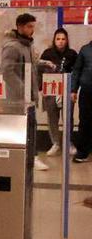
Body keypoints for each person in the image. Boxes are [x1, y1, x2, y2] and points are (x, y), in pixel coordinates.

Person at [1, 13, 48, 170]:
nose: (32, 30)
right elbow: (7, 72)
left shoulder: (27, 45)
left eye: (33, 26)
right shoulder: (12, 47)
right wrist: (24, 91)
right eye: (29, 26)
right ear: (20, 27)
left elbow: (31, 64)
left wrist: (44, 63)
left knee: (31, 126)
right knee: (21, 127)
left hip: (29, 96)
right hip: (19, 98)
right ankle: (28, 157)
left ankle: (31, 156)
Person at [40, 28, 78, 156]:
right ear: (54, 40)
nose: (60, 42)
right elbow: (40, 71)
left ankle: (69, 143)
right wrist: (41, 88)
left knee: (68, 118)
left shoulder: (72, 54)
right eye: (58, 39)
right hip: (50, 90)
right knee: (52, 118)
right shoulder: (47, 54)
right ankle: (55, 143)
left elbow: (76, 73)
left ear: (67, 41)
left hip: (66, 90)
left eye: (63, 39)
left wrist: (73, 90)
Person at [73, 38, 92, 163]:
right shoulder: (85, 50)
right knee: (85, 121)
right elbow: (77, 71)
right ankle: (83, 152)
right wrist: (73, 90)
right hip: (87, 92)